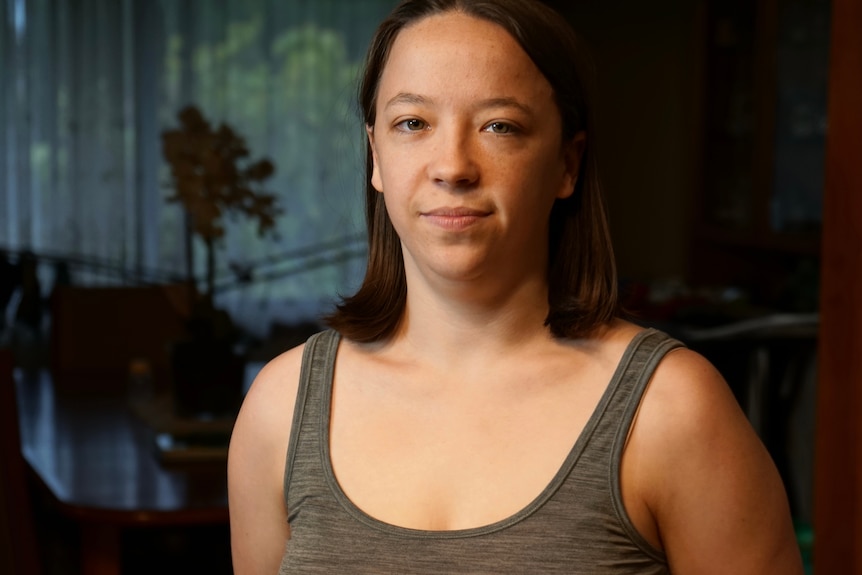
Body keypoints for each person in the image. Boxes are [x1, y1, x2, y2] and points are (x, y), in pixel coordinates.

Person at [228, 0, 804, 572]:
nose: (452, 167)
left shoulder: (672, 408)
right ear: (376, 154)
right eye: (413, 123)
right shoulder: (280, 408)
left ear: (566, 164)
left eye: (499, 126)